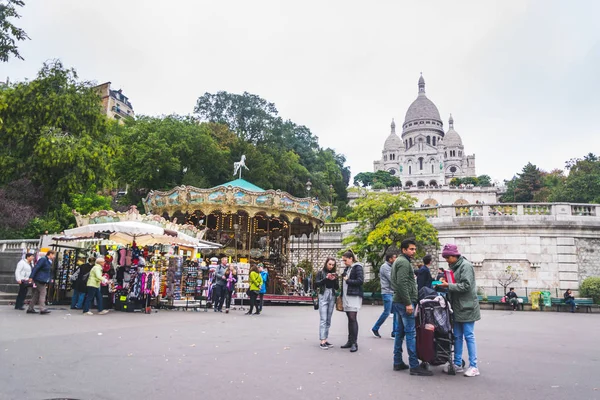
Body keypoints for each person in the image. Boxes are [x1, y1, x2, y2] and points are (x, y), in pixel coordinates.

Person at [437, 244, 481, 377]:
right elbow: (456, 284)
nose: (446, 260)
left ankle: (474, 366)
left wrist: (448, 285)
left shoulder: (465, 266)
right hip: (457, 306)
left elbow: (466, 286)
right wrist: (444, 283)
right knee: (457, 336)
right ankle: (457, 363)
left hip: (467, 306)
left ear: (454, 256)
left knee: (468, 336)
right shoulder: (454, 267)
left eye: (447, 257)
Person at [391, 239, 432, 376]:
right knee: (410, 334)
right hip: (404, 302)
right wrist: (408, 303)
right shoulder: (403, 262)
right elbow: (402, 283)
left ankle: (397, 362)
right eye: (411, 249)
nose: (413, 251)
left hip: (399, 301)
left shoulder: (400, 261)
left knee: (399, 333)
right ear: (404, 250)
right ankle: (414, 366)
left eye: (414, 249)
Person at [340, 250, 364, 353]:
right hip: (347, 295)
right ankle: (350, 340)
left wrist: (347, 280)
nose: (344, 262)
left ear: (351, 259)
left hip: (354, 296)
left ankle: (354, 342)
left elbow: (360, 281)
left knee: (352, 318)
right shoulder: (348, 268)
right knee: (349, 318)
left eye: (345, 260)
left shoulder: (358, 267)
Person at [371, 250, 398, 339]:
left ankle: (394, 332)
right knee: (387, 312)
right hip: (387, 292)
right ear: (390, 259)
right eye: (395, 257)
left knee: (396, 313)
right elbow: (392, 279)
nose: (396, 259)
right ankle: (375, 328)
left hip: (393, 292)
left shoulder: (392, 266)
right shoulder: (385, 267)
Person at [316, 257, 339, 350]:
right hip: (323, 295)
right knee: (323, 319)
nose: (331, 266)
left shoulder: (334, 274)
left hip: (332, 296)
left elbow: (337, 287)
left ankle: (325, 339)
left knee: (328, 319)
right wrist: (326, 279)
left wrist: (334, 279)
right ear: (326, 263)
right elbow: (316, 284)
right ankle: (322, 340)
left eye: (333, 265)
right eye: (329, 264)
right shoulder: (320, 273)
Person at [27, 250, 56, 315]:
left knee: (36, 294)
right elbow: (36, 268)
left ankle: (30, 308)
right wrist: (31, 277)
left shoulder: (48, 261)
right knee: (43, 292)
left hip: (42, 279)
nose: (54, 256)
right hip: (39, 279)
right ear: (50, 254)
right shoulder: (43, 260)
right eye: (53, 255)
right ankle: (42, 309)